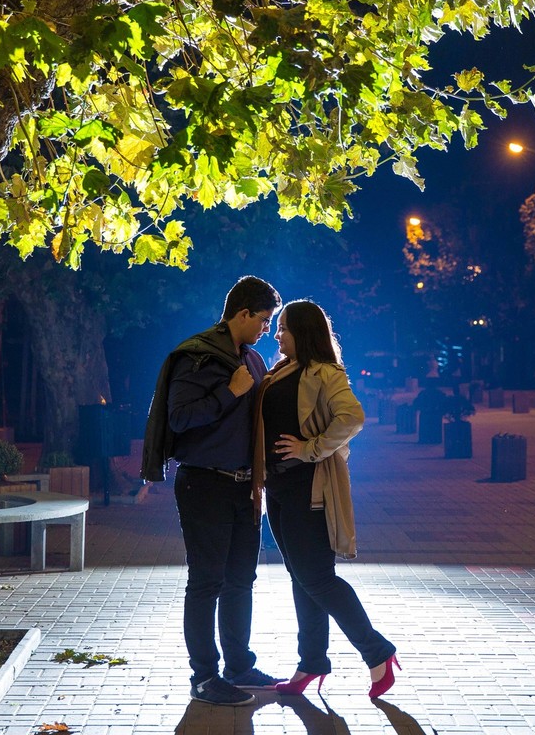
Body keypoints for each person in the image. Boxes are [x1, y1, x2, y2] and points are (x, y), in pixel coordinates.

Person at [141, 275, 284, 706]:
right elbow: (180, 418)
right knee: (206, 582)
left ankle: (238, 667)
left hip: (244, 487)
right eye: (263, 319)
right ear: (242, 313)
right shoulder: (198, 356)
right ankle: (204, 677)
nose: (266, 328)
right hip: (204, 483)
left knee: (242, 580)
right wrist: (229, 392)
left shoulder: (253, 359)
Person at [251, 300, 400, 699]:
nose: (277, 334)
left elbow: (352, 417)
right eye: (277, 327)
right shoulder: (280, 370)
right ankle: (311, 662)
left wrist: (310, 448)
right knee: (303, 578)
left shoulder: (324, 373)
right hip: (279, 489)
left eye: (284, 328)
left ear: (305, 332)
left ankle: (377, 652)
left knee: (317, 577)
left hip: (308, 488)